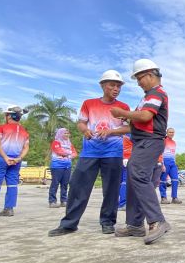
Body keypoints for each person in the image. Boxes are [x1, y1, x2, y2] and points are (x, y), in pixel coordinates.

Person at [48, 70, 130, 236]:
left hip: (113, 153)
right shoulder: (89, 103)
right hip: (90, 152)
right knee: (78, 187)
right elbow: (81, 123)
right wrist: (85, 130)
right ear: (102, 86)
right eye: (112, 85)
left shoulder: (123, 107)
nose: (116, 89)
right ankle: (69, 224)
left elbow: (129, 127)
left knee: (111, 190)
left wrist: (111, 132)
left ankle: (107, 222)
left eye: (118, 86)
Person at [111, 59, 171, 245]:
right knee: (133, 179)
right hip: (142, 141)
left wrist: (123, 113)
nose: (138, 83)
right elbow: (135, 126)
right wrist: (112, 131)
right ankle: (135, 224)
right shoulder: (147, 97)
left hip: (150, 142)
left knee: (138, 175)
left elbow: (145, 116)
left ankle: (157, 220)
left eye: (139, 78)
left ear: (150, 75)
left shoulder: (156, 93)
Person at [48, 128, 76, 208]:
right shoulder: (56, 142)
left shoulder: (69, 144)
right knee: (55, 183)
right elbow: (59, 151)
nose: (67, 135)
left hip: (67, 166)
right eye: (65, 133)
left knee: (65, 184)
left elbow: (75, 153)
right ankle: (52, 201)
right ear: (60, 134)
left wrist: (68, 154)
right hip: (57, 166)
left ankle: (64, 201)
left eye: (68, 133)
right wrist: (69, 153)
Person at [159, 128, 182, 204]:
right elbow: (160, 152)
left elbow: (173, 153)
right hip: (165, 161)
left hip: (172, 162)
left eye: (173, 132)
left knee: (175, 179)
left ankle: (174, 198)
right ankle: (163, 198)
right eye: (170, 132)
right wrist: (162, 164)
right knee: (163, 180)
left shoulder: (174, 142)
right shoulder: (163, 141)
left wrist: (175, 162)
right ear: (167, 133)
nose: (171, 133)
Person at [117, 133, 132, 211]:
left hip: (118, 157)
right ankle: (122, 203)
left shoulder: (118, 132)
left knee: (119, 182)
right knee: (124, 182)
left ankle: (117, 204)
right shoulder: (130, 133)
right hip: (127, 158)